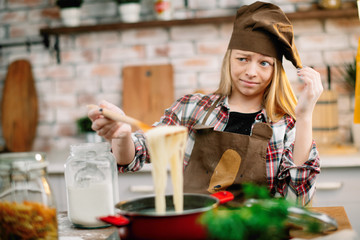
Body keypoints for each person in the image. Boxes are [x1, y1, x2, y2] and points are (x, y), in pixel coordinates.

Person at [88, 1, 322, 206]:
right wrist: (121, 137)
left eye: (264, 63)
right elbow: (135, 154)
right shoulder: (192, 109)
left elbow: (297, 203)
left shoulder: (287, 127)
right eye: (243, 59)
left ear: (275, 70)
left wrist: (304, 117)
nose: (251, 72)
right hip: (194, 230)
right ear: (229, 59)